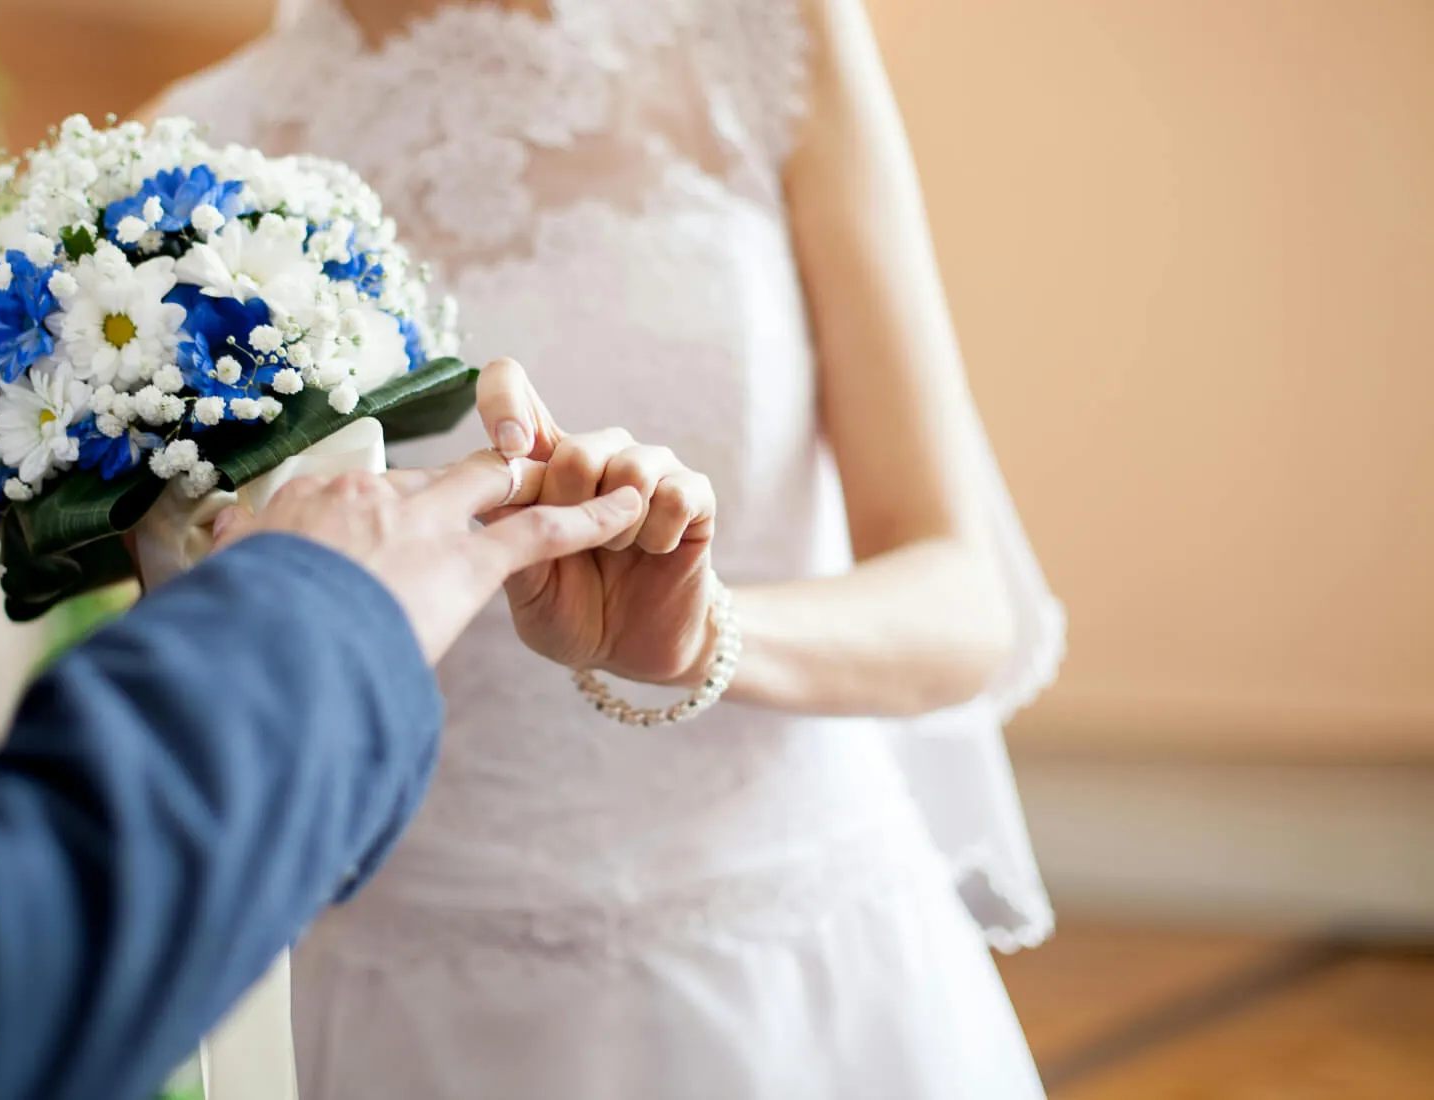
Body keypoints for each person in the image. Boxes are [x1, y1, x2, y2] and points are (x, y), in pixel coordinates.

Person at [0, 2, 719, 1097]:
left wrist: (702, 637)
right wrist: (312, 612)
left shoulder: (750, 32)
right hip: (337, 910)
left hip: (724, 903)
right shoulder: (167, 151)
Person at [153, 0, 1068, 1096]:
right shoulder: (192, 158)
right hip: (408, 1009)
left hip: (794, 982)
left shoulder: (765, 37)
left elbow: (962, 605)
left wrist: (701, 632)